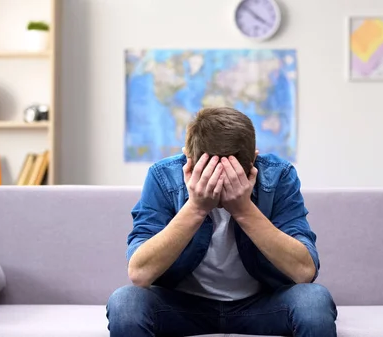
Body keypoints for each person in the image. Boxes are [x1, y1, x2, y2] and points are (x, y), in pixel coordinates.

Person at [106, 107, 337, 337]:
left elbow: (304, 271)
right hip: (182, 307)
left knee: (313, 301)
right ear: (187, 159)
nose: (218, 186)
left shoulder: (279, 176)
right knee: (125, 303)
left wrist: (244, 210)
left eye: (232, 175)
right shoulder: (163, 176)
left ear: (254, 160)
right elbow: (139, 272)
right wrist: (196, 208)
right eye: (207, 173)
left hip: (261, 306)